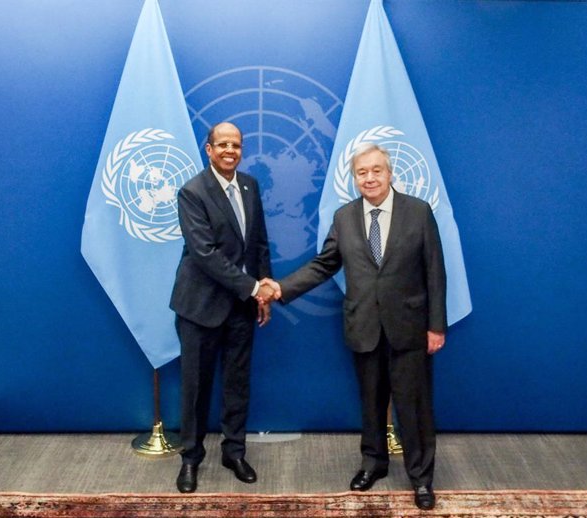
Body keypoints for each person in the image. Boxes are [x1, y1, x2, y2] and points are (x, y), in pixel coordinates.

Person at [261, 143, 446, 510]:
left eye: (377, 170)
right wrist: (281, 287)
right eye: (362, 172)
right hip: (364, 327)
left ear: (390, 173)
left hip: (409, 327)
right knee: (371, 403)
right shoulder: (344, 217)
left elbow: (435, 273)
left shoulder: (419, 212)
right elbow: (323, 265)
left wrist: (436, 326)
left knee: (415, 407)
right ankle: (373, 464)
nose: (370, 177)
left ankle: (421, 479)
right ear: (354, 178)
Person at [170, 122, 275, 493]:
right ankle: (190, 460)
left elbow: (259, 242)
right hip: (200, 307)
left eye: (236, 145)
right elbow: (205, 254)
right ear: (209, 149)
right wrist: (252, 288)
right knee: (196, 387)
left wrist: (262, 289)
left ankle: (234, 452)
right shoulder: (192, 192)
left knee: (237, 383)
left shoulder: (250, 186)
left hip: (242, 308)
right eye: (223, 144)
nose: (230, 150)